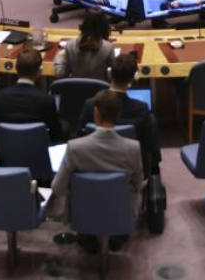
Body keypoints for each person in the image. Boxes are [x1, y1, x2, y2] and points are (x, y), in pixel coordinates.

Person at [48, 89, 145, 252]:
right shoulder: (133, 148)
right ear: (118, 114)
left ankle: (89, 236)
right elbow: (138, 184)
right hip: (120, 214)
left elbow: (58, 187)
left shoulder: (75, 148)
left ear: (96, 113)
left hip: (83, 215)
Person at [76, 53, 160, 174]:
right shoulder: (142, 109)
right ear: (133, 78)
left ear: (110, 74)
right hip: (130, 172)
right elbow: (150, 151)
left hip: (93, 169)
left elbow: (79, 139)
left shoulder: (91, 105)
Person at [0, 47, 63, 143]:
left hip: (5, 151)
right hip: (37, 151)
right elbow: (56, 135)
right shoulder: (47, 100)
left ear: (16, 69)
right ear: (39, 72)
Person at [55, 11, 115, 81]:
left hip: (75, 87)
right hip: (100, 87)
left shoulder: (70, 45)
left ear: (84, 25)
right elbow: (114, 74)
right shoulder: (108, 47)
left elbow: (61, 75)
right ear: (105, 27)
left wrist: (59, 56)